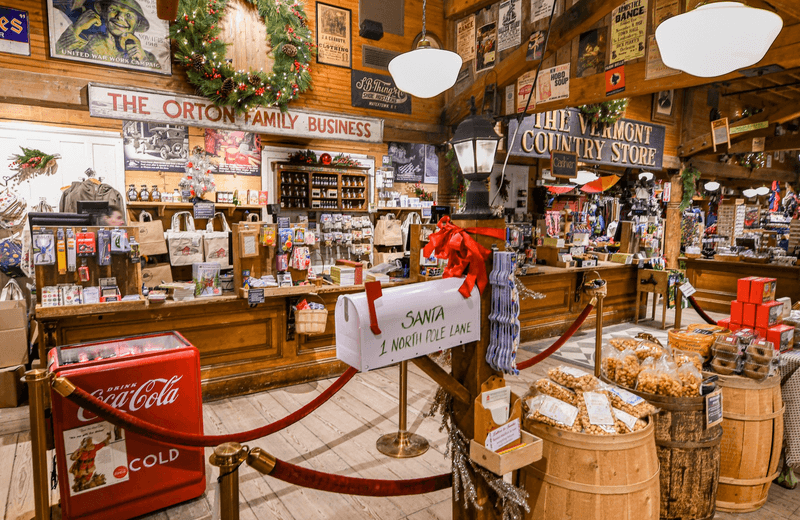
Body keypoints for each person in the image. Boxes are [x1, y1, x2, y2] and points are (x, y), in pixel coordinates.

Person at [56, 0, 157, 67]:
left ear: (138, 23)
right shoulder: (88, 42)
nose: (120, 17)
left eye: (128, 15)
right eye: (113, 9)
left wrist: (144, 59)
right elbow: (59, 56)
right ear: (105, 12)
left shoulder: (147, 57)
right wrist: (77, 28)